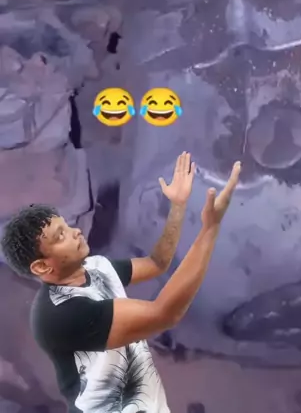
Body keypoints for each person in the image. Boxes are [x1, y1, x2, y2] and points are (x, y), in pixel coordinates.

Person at [1, 152, 241, 413]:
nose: (76, 232)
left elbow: (156, 263)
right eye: (61, 236)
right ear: (41, 266)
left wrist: (177, 206)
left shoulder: (94, 267)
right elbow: (164, 313)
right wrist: (209, 231)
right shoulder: (60, 314)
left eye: (67, 227)